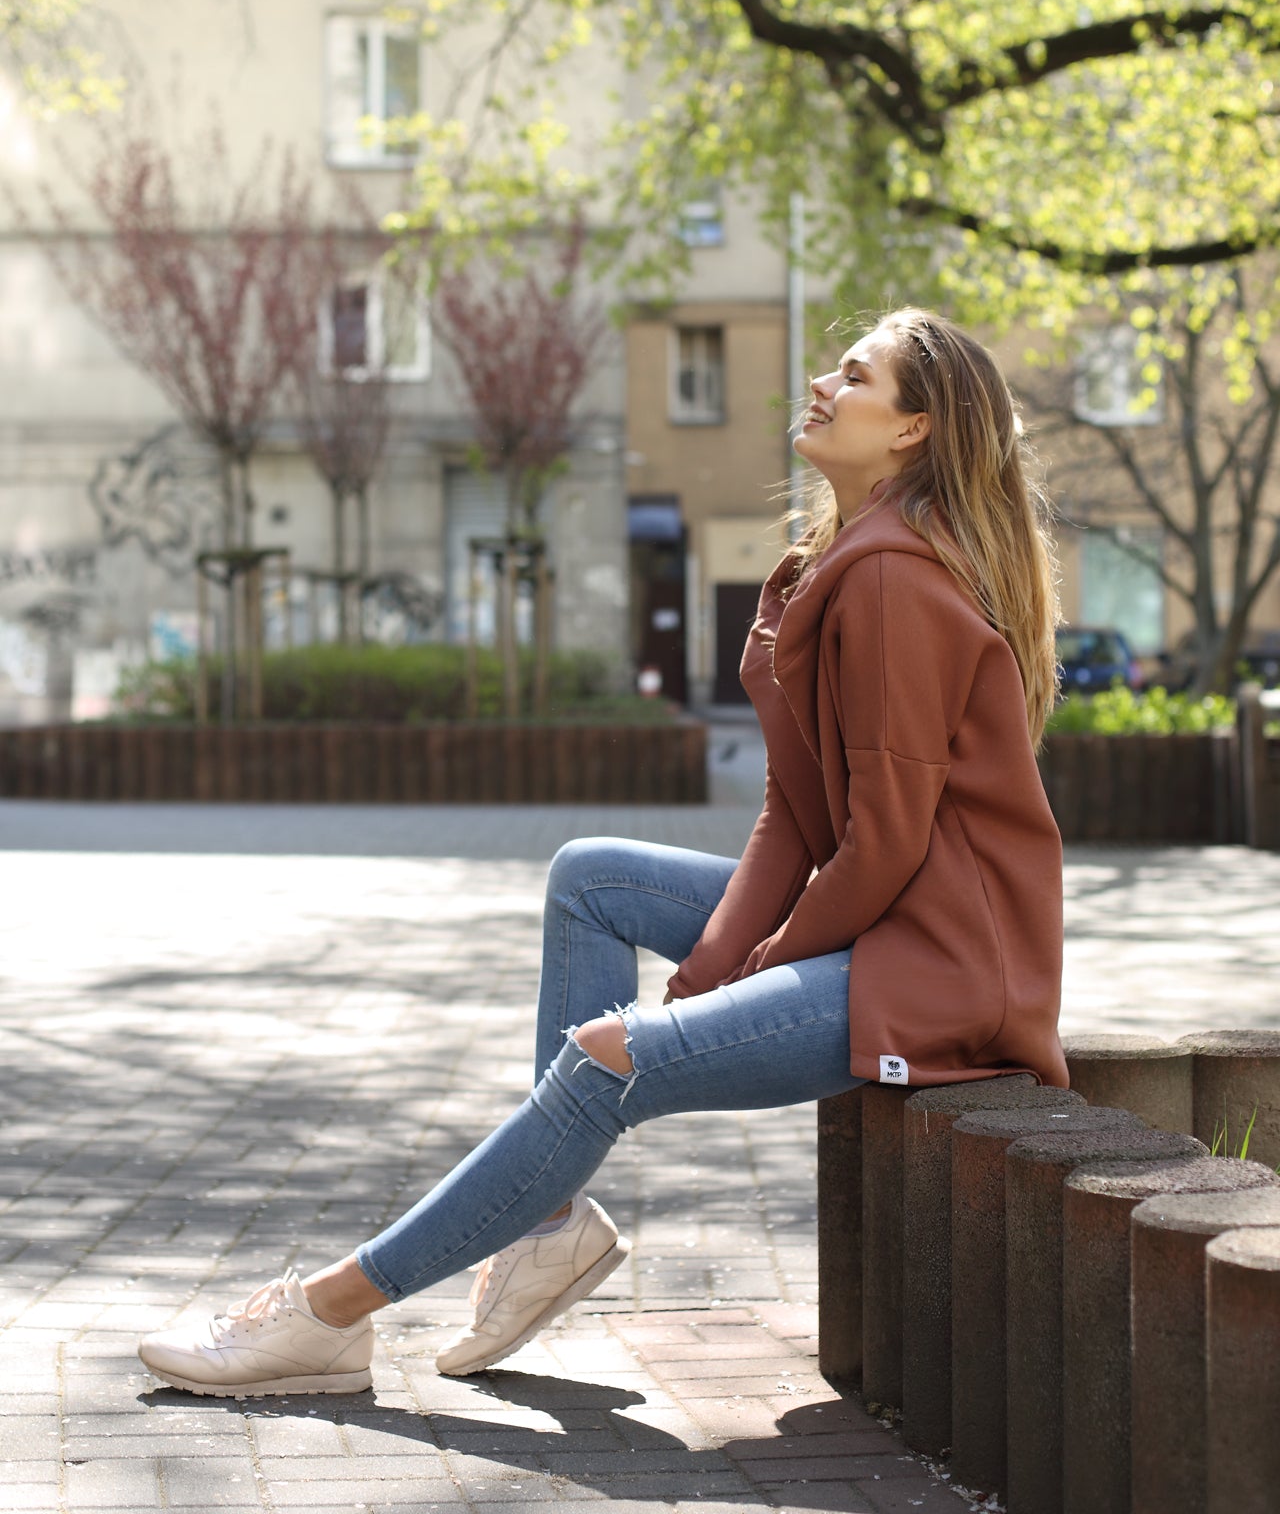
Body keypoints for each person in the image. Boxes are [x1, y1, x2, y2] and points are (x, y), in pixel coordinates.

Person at [138, 307, 1067, 1398]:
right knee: (593, 879)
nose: (819, 382)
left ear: (911, 429)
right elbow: (795, 816)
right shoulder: (827, 562)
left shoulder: (897, 579)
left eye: (853, 376)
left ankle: (330, 1316)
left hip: (942, 965)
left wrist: (748, 974)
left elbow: (886, 846)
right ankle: (542, 1228)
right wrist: (721, 962)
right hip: (885, 923)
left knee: (607, 1056)